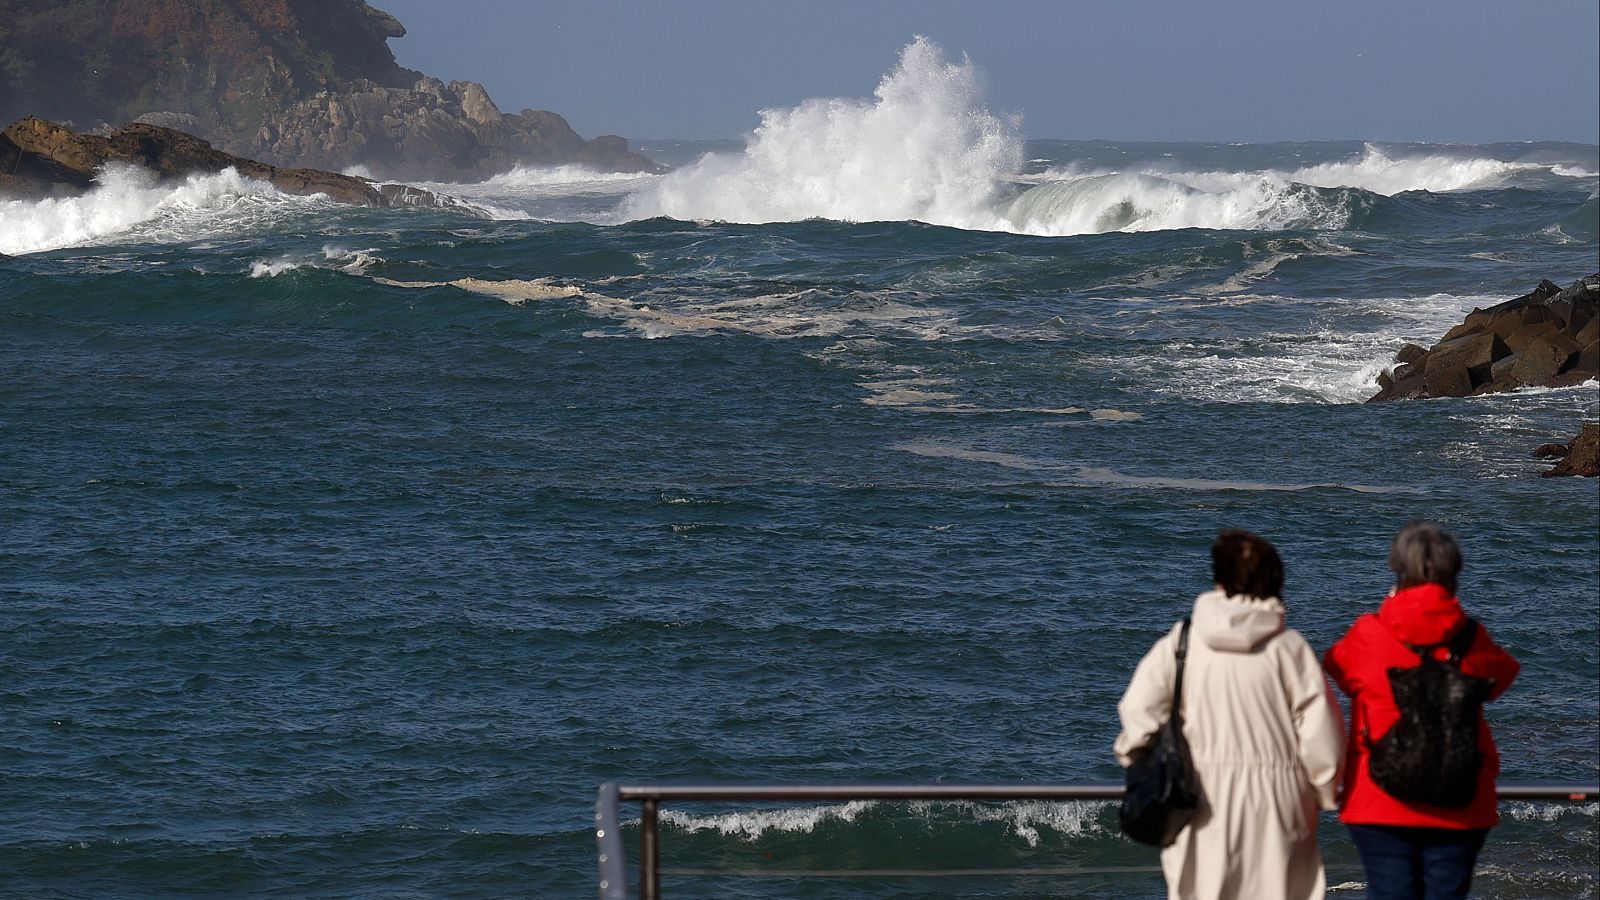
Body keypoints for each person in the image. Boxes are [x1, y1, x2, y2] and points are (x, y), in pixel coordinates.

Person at [1115, 529, 1345, 900]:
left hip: (1202, 797)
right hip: (1279, 801)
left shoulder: (1182, 642)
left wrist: (1136, 758)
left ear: (1219, 578)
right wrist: (1321, 790)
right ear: (1275, 581)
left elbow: (1138, 711)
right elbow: (1323, 738)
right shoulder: (1289, 649)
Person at [1324, 521, 1520, 900]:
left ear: (1398, 571)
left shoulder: (1369, 633)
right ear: (1454, 574)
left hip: (1380, 798)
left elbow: (1337, 667)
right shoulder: (1471, 637)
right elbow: (1501, 679)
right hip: (1460, 794)